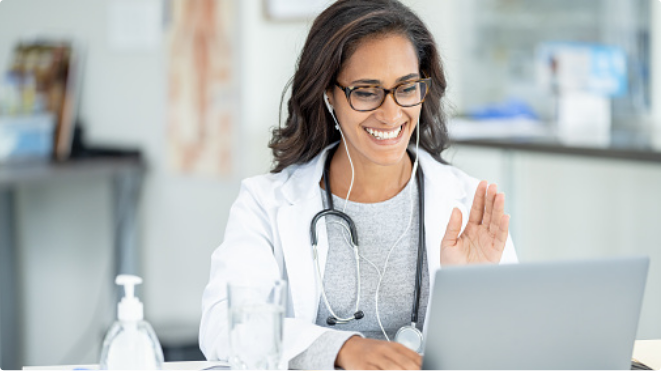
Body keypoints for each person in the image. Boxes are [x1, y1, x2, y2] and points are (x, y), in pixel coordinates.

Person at [200, 1, 518, 370]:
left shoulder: (468, 205)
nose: (391, 112)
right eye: (367, 92)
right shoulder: (264, 203)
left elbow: (509, 346)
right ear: (329, 94)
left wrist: (468, 289)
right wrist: (342, 349)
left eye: (407, 87)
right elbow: (223, 324)